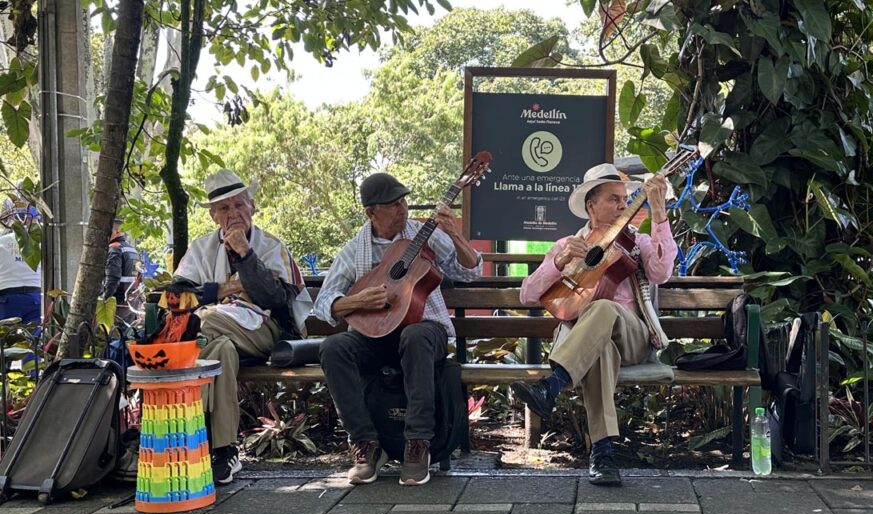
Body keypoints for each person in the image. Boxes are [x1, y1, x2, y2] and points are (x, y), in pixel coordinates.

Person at [315, 173, 482, 486]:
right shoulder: (355, 249)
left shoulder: (425, 233)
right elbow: (324, 303)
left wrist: (455, 235)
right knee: (333, 348)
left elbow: (472, 273)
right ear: (371, 213)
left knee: (414, 335)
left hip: (425, 332)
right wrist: (355, 301)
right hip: (375, 337)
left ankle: (418, 445)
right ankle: (366, 445)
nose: (403, 208)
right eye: (393, 205)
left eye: (404, 200)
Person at [513, 163, 675, 486]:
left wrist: (659, 215)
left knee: (603, 308)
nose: (622, 205)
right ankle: (602, 454)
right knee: (600, 351)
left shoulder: (634, 241)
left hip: (633, 337)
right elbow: (527, 295)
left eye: (623, 199)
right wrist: (558, 263)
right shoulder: (569, 245)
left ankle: (553, 384)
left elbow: (661, 273)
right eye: (614, 199)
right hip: (594, 346)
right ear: (591, 205)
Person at [171, 169, 312, 484]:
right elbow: (176, 295)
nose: (232, 213)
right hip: (223, 336)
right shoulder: (201, 249)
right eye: (224, 208)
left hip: (268, 333)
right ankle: (223, 451)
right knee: (219, 350)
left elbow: (274, 298)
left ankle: (191, 434)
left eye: (239, 205)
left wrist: (246, 255)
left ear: (252, 207)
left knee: (200, 321)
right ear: (213, 216)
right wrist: (225, 290)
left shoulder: (271, 247)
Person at [0, 199, 41, 324]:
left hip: (7, 297)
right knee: (33, 338)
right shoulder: (38, 242)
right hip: (35, 296)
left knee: (7, 338)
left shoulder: (2, 242)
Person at [101, 217, 140, 320]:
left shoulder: (115, 248)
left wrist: (105, 299)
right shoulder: (133, 250)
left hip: (117, 304)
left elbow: (112, 278)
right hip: (131, 303)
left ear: (116, 231)